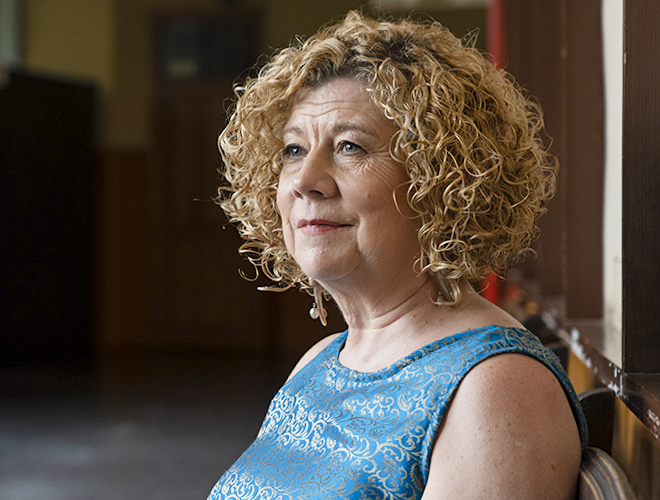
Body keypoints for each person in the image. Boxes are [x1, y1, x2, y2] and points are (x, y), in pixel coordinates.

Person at [209, 10, 587, 500]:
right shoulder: (318, 362)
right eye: (294, 150)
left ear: (442, 181)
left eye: (350, 147)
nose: (304, 180)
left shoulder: (495, 387)